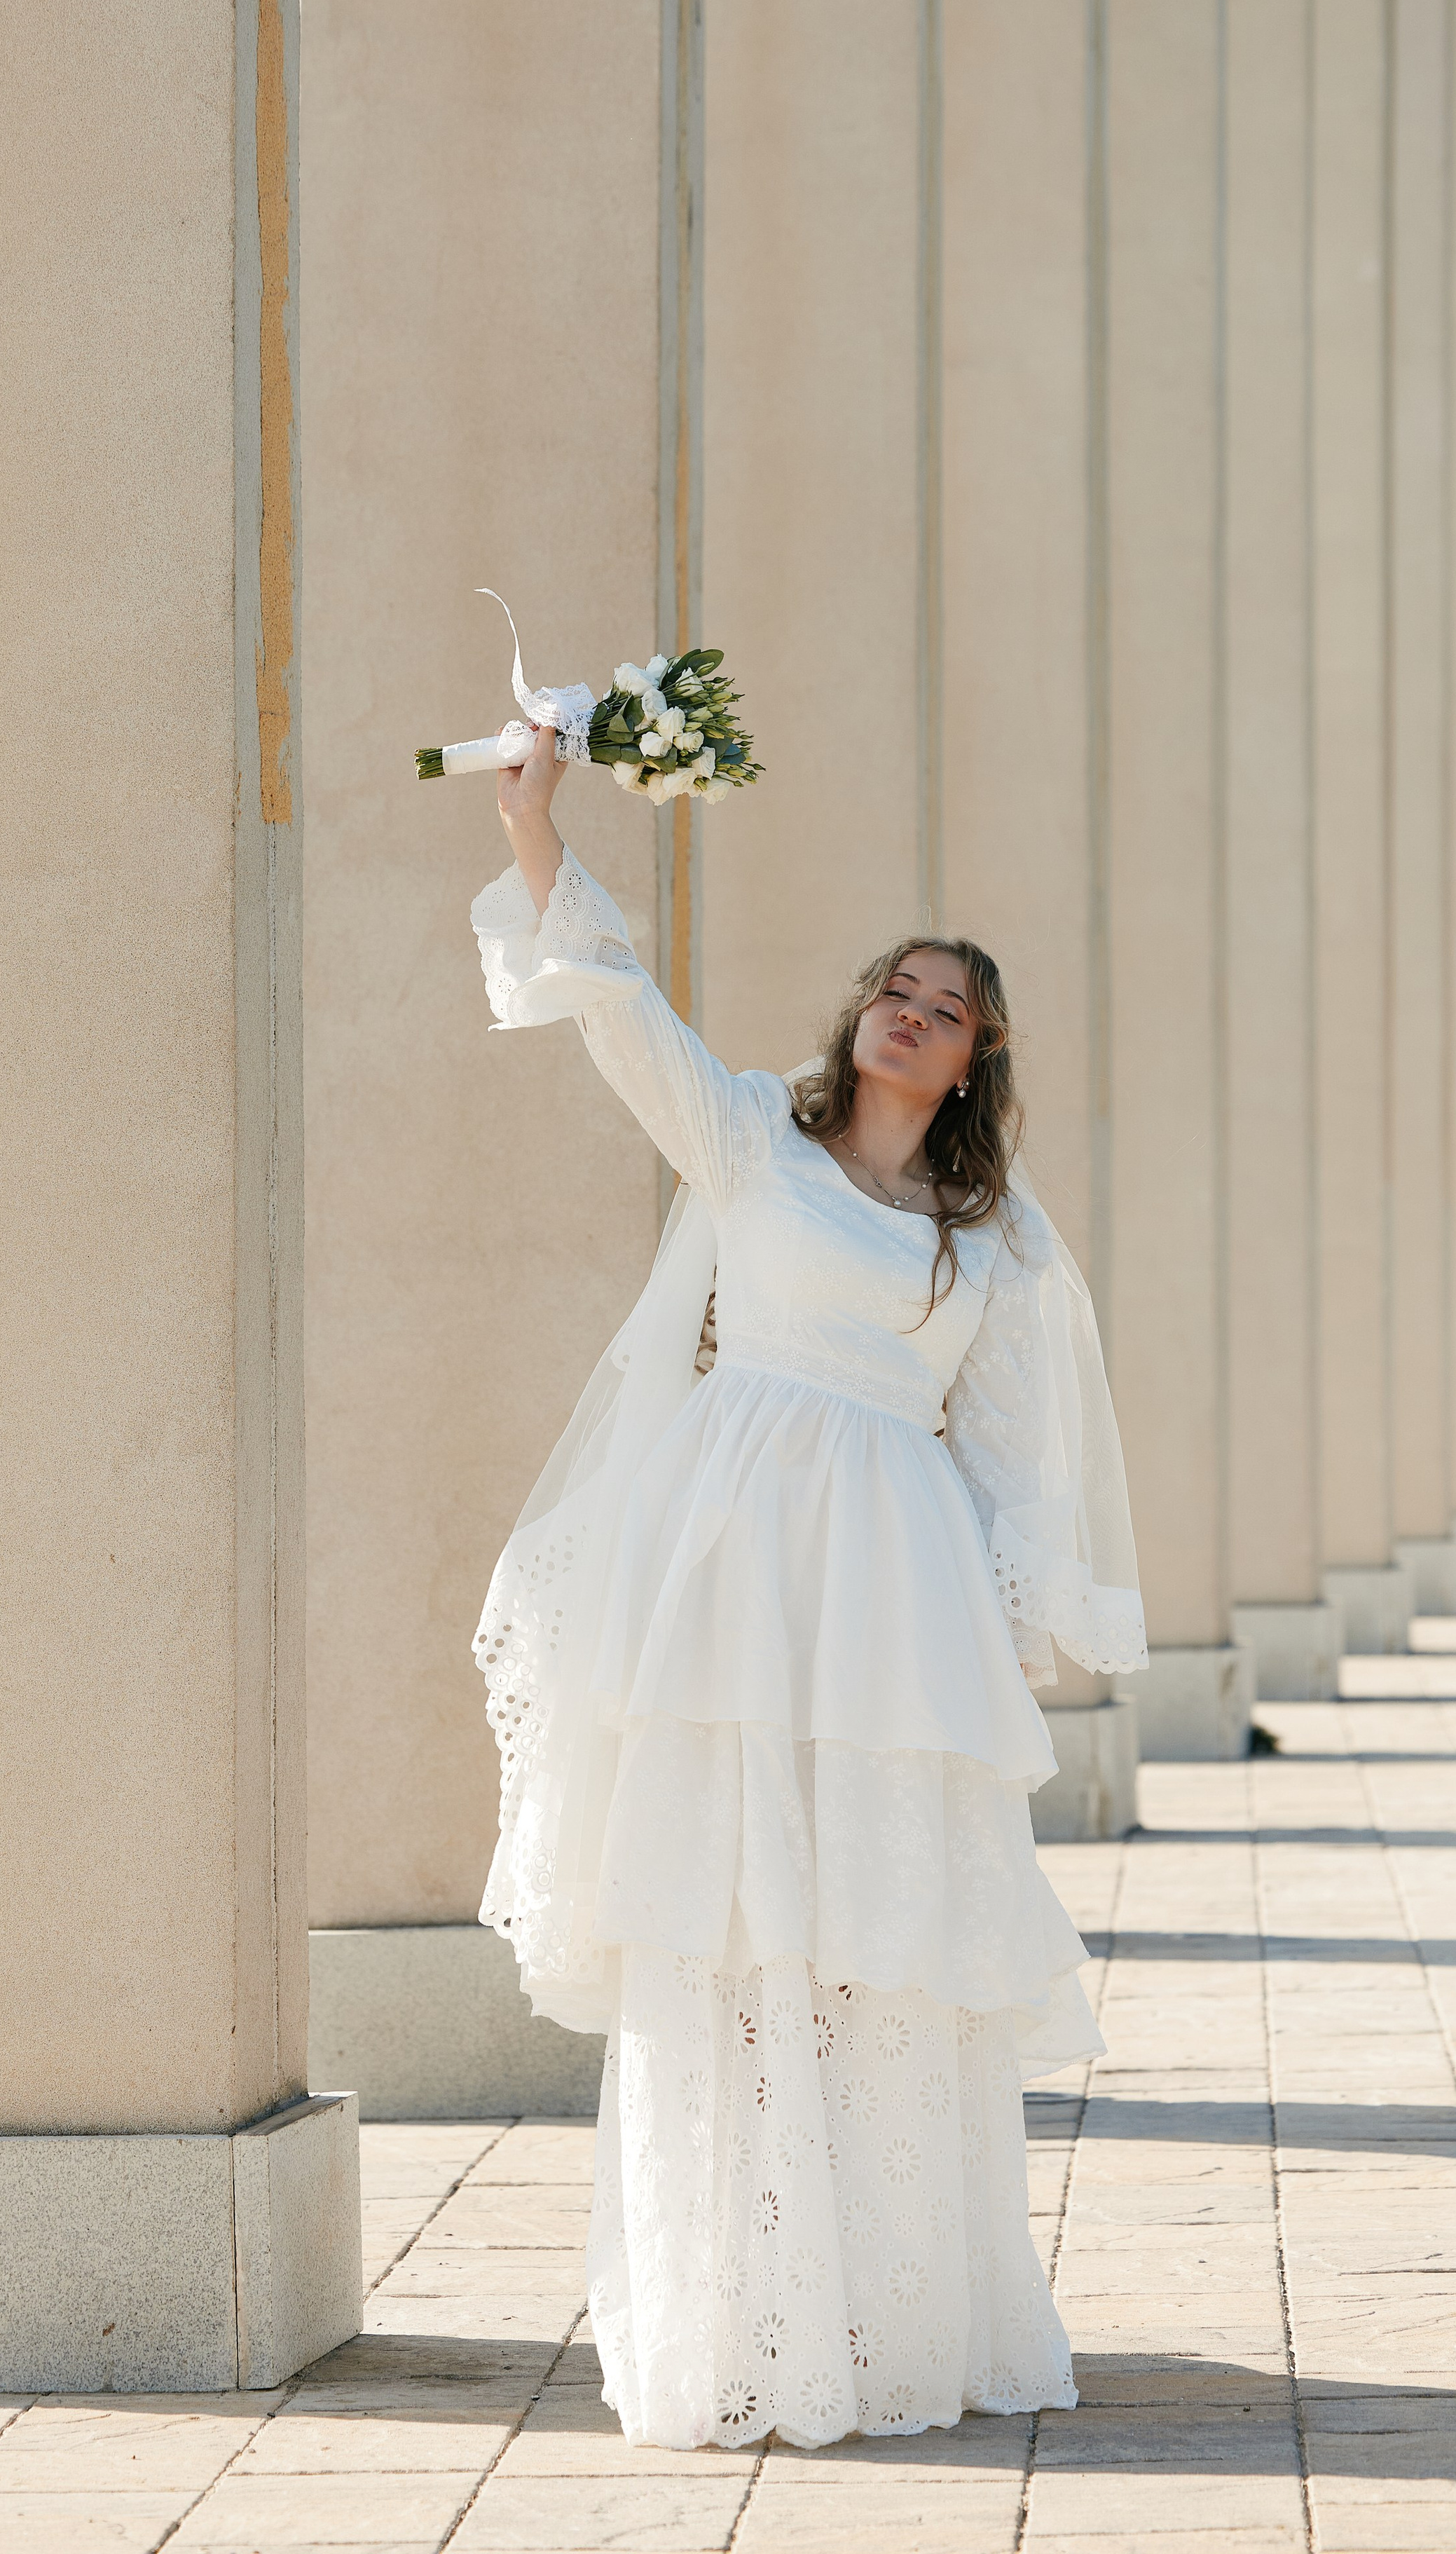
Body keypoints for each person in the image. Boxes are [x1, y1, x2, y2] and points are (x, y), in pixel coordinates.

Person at [468, 725, 1148, 2452]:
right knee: (729, 1922)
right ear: (859, 1015)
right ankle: (734, 2315)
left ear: (977, 1048)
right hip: (730, 1571)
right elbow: (620, 1012)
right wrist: (538, 825)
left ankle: (883, 2306)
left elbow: (1013, 1451)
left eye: (945, 1003)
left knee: (870, 1943)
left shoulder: (986, 1237)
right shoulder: (750, 1149)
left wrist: (1008, 1631)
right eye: (892, 990)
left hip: (889, 1595)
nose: (908, 1013)